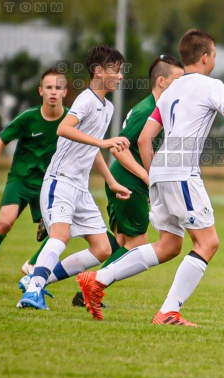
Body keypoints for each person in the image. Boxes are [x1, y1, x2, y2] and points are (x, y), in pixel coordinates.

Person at [76, 29, 224, 324]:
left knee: (169, 246)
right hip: (181, 172)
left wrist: (154, 179)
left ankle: (98, 280)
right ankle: (168, 311)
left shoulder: (170, 90)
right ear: (205, 57)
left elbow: (144, 139)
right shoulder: (211, 85)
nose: (214, 60)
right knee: (208, 243)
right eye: (214, 54)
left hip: (161, 171)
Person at [17, 45, 131, 310]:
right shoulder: (87, 99)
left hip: (80, 187)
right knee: (60, 236)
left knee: (102, 248)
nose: (121, 76)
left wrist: (111, 182)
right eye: (117, 70)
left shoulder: (108, 107)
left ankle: (38, 280)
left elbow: (92, 148)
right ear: (99, 71)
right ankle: (32, 293)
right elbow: (63, 128)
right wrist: (103, 143)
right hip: (60, 180)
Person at [71, 55, 185, 307]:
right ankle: (89, 288)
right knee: (138, 242)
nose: (182, 86)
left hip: (129, 180)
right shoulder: (146, 110)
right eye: (178, 81)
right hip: (128, 182)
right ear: (162, 81)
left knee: (121, 242)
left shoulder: (159, 108)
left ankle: (82, 289)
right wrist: (147, 177)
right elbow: (118, 148)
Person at [0, 67, 68, 284]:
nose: (53, 91)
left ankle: (32, 264)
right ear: (41, 91)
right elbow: (0, 141)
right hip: (20, 180)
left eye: (58, 87)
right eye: (49, 87)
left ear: (65, 91)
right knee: (5, 222)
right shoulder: (28, 117)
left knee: (60, 229)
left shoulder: (70, 119)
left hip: (47, 184)